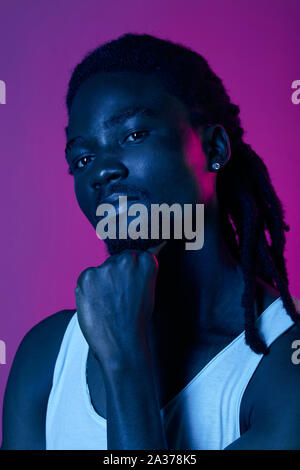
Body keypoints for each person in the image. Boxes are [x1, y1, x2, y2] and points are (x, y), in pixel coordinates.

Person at [1, 33, 300, 450]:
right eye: (82, 159)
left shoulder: (284, 370)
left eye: (134, 135)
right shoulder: (47, 357)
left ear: (214, 147)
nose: (101, 171)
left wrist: (125, 360)